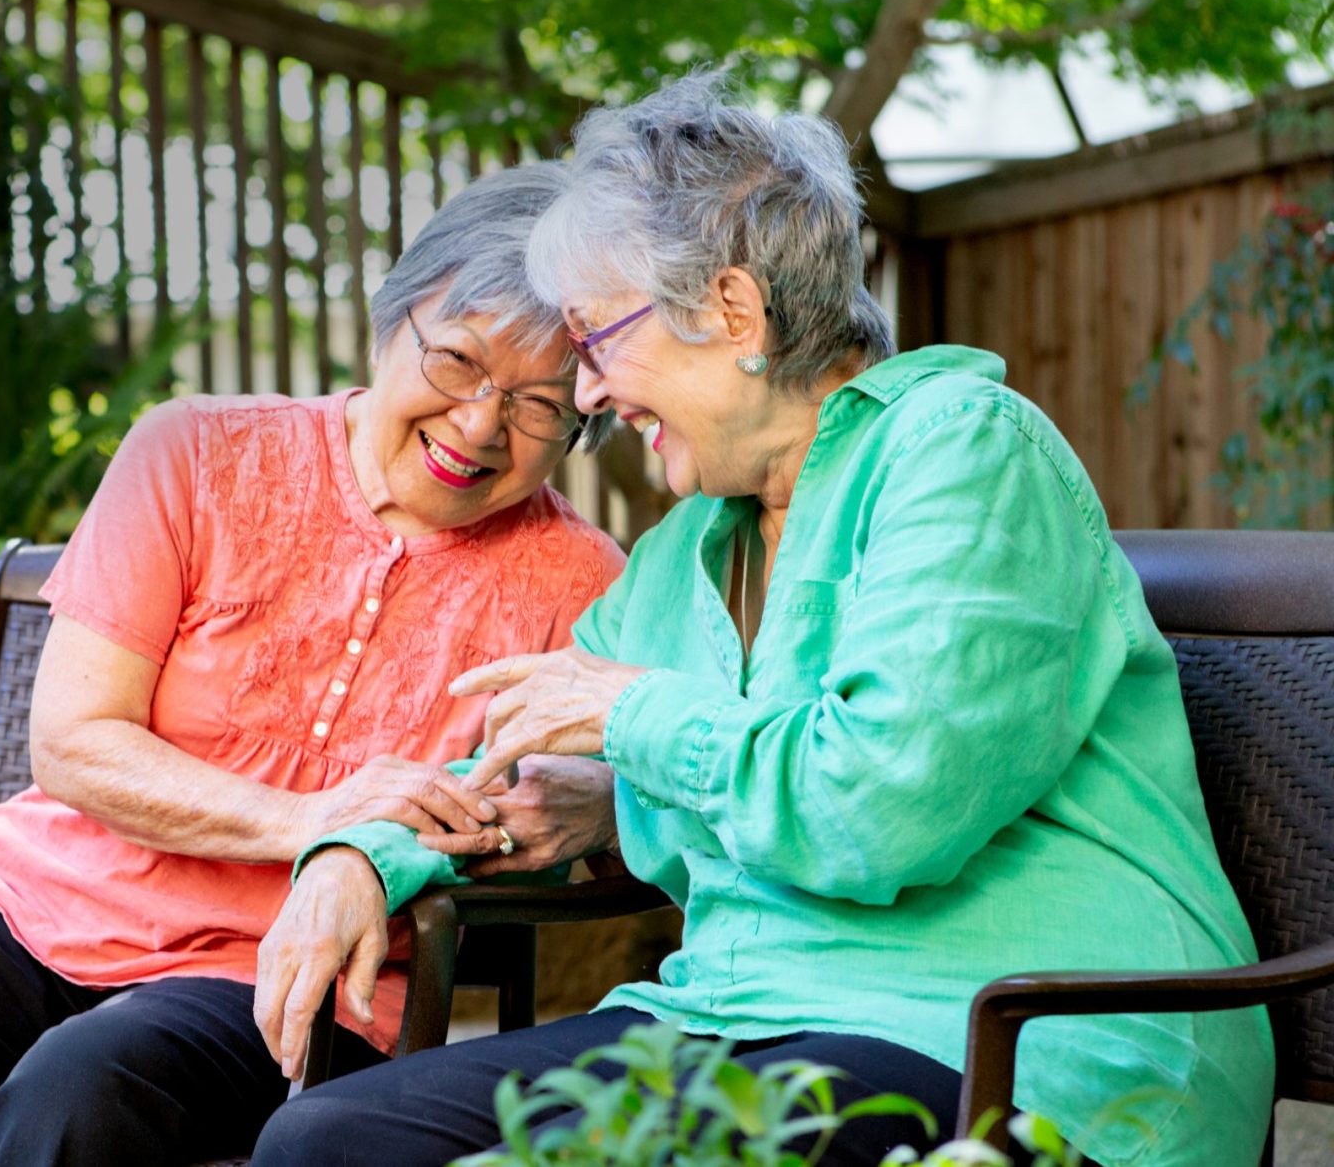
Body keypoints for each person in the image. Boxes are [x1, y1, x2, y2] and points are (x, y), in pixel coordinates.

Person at [251, 74, 1274, 1167]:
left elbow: (888, 801)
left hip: (1023, 1037)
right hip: (739, 1018)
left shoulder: (965, 449)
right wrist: (356, 858)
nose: (587, 395)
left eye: (598, 342)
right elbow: (488, 761)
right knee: (329, 1141)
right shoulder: (685, 553)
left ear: (733, 312)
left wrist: (638, 721)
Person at [0, 162, 626, 1167]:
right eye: (459, 361)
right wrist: (311, 821)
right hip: (34, 902)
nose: (479, 425)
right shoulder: (194, 453)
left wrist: (592, 799)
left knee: (75, 1101)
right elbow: (73, 741)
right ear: (398, 318)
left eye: (539, 406)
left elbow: (608, 805)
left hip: (271, 968)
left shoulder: (583, 580)